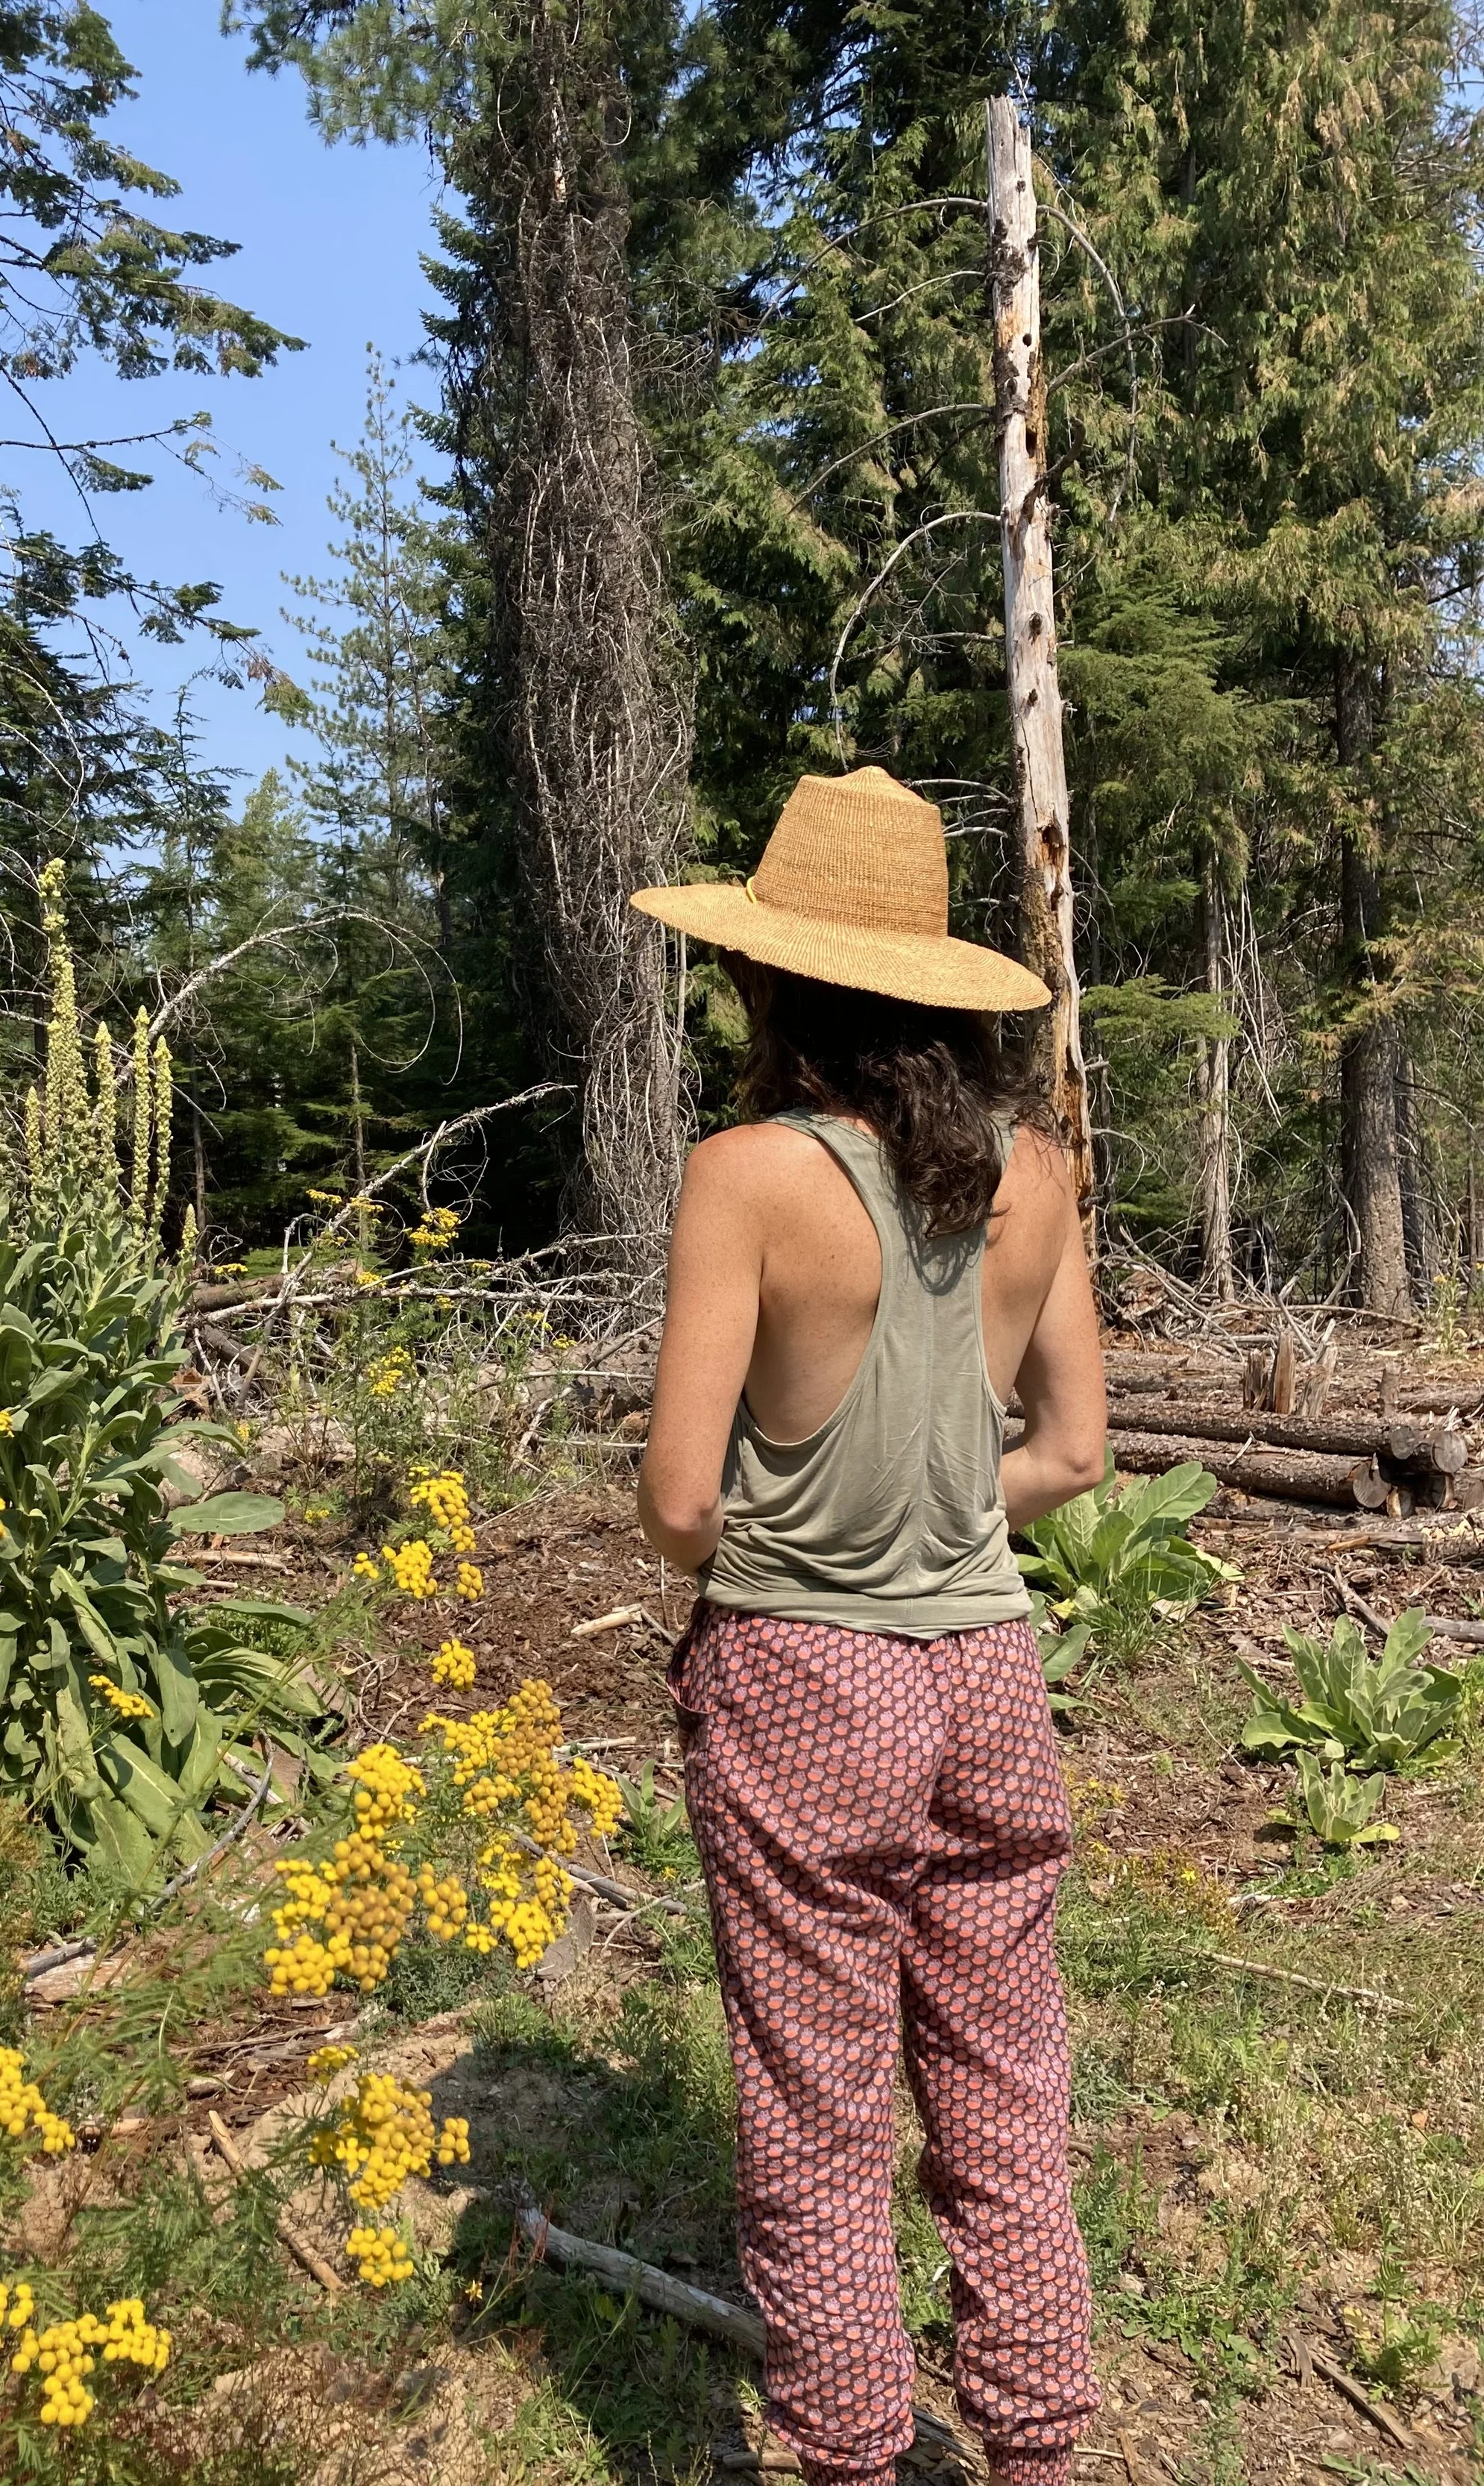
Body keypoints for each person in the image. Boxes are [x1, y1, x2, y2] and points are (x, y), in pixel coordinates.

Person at [629, 765, 1107, 2486]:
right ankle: (1037, 2451)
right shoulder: (1036, 1176)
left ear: (773, 981)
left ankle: (847, 2459)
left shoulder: (747, 1175)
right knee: (1002, 2082)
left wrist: (822, 1537)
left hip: (800, 1676)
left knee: (817, 2110)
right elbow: (1072, 1451)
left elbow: (681, 1501)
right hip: (985, 1671)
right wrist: (941, 1524)